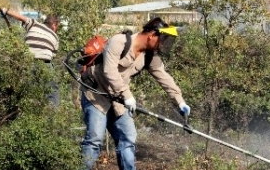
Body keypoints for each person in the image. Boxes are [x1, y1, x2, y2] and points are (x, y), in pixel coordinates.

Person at [79, 17, 190, 170]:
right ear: (151, 35)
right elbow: (109, 72)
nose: (163, 44)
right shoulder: (119, 42)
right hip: (96, 95)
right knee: (94, 140)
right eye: (162, 39)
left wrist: (180, 101)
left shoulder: (150, 56)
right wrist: (128, 96)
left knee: (128, 138)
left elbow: (164, 78)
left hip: (118, 100)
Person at [0, 8, 60, 107]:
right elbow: (52, 56)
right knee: (53, 89)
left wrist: (6, 11)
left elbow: (21, 18)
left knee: (29, 90)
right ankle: (52, 114)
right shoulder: (55, 37)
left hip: (27, 63)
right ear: (54, 25)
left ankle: (26, 110)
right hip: (44, 63)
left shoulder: (34, 24)